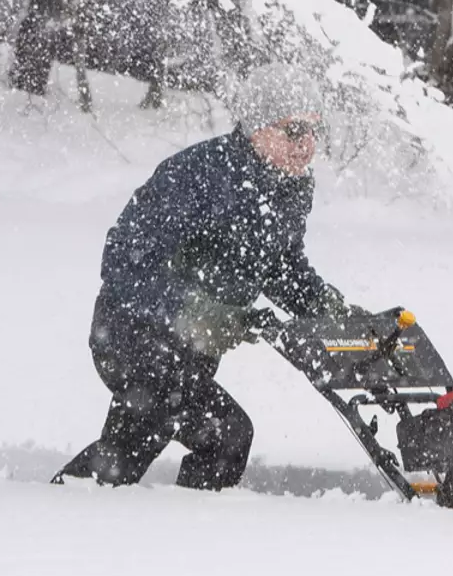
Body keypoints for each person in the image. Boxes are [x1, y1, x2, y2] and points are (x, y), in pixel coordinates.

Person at [53, 62, 354, 491]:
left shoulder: (290, 188)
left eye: (313, 131)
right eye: (293, 131)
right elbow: (123, 259)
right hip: (132, 338)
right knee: (193, 432)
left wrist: (323, 305)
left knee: (181, 442)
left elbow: (280, 265)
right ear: (257, 128)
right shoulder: (199, 175)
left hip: (190, 354)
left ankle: (151, 534)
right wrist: (195, 311)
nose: (306, 145)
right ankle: (71, 520)